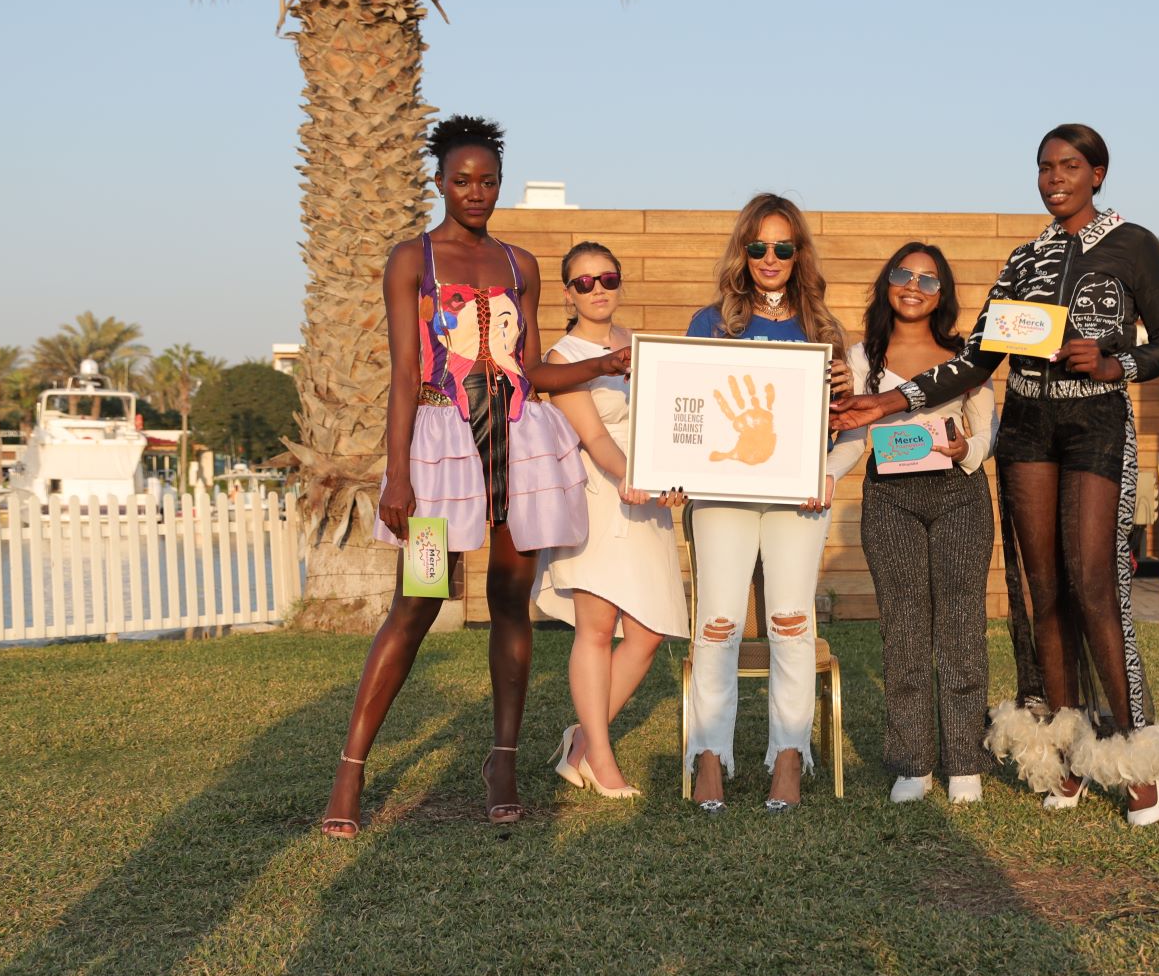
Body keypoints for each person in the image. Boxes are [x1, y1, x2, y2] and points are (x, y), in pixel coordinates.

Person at [832, 123, 1159, 827]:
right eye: (1044, 167)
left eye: (1069, 166)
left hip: (1094, 424)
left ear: (1097, 173)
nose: (1055, 178)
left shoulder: (1135, 244)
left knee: (1094, 586)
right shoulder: (1024, 259)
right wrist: (890, 401)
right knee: (1041, 592)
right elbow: (974, 359)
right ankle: (1068, 753)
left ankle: (1136, 756)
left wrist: (1116, 363)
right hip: (1028, 428)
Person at [321, 115, 624, 835]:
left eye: (488, 181)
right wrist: (398, 477)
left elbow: (533, 370)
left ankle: (503, 763)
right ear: (440, 183)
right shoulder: (413, 260)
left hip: (518, 451)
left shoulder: (521, 265)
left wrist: (604, 364)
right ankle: (350, 772)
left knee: (511, 603)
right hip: (441, 455)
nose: (477, 192)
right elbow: (405, 374)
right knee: (417, 603)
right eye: (462, 181)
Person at [685, 193, 853, 814]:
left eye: (784, 246)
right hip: (723, 494)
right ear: (744, 251)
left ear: (799, 252)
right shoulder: (710, 323)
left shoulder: (825, 331)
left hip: (798, 498)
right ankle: (709, 754)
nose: (771, 257)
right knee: (718, 622)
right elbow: (688, 412)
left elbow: (854, 431)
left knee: (790, 621)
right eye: (758, 246)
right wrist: (676, 468)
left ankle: (789, 754)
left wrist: (830, 470)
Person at [834, 244, 998, 805]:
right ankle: (913, 763)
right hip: (890, 498)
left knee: (961, 627)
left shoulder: (966, 357)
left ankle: (964, 762)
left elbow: (986, 432)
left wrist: (964, 449)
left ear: (941, 294)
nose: (913, 285)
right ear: (887, 282)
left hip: (959, 495)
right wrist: (825, 477)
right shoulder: (863, 358)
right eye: (904, 274)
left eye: (928, 279)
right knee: (903, 629)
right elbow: (853, 434)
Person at [536, 242, 688, 798]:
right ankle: (600, 758)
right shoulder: (561, 358)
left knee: (648, 631)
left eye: (607, 278)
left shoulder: (641, 345)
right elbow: (596, 437)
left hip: (647, 498)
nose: (597, 289)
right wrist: (634, 478)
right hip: (600, 494)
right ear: (568, 294)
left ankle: (580, 741)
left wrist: (672, 479)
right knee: (596, 630)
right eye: (584, 282)